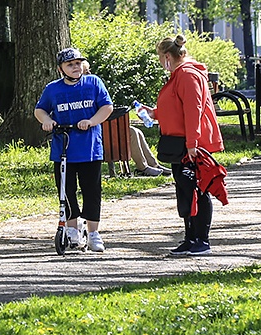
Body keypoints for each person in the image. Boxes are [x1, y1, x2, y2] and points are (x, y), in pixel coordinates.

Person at [136, 34, 224, 256]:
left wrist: (193, 143)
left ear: (167, 56)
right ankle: (190, 237)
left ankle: (201, 240)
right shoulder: (177, 76)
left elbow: (193, 110)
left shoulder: (186, 75)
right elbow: (175, 107)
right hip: (179, 142)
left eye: (159, 57)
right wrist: (154, 114)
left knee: (197, 189)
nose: (159, 62)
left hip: (190, 144)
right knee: (185, 189)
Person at [34, 48, 114, 252]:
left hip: (89, 148)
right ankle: (72, 229)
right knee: (66, 191)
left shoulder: (93, 82)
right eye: (70, 64)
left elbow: (106, 107)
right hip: (64, 148)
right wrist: (48, 121)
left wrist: (91, 121)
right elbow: (40, 109)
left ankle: (94, 232)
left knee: (92, 190)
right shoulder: (53, 89)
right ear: (61, 68)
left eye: (78, 63)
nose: (75, 67)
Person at [78, 60, 169, 177]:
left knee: (137, 131)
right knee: (130, 132)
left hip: (104, 127)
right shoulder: (83, 91)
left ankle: (153, 164)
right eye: (86, 71)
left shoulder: (94, 87)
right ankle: (142, 167)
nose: (90, 73)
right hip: (96, 132)